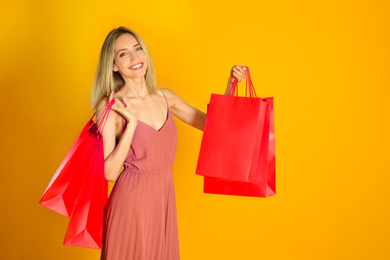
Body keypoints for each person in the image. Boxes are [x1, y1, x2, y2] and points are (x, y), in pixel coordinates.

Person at [92, 26, 247, 260]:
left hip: (163, 199)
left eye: (137, 48)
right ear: (113, 65)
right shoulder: (111, 105)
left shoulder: (166, 97)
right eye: (123, 54)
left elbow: (214, 126)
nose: (134, 57)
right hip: (131, 204)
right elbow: (110, 173)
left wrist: (231, 85)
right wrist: (131, 124)